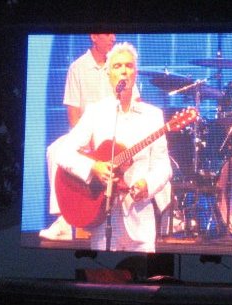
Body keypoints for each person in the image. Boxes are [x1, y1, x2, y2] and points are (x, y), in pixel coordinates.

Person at [54, 42, 172, 252]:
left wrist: (148, 184)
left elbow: (163, 166)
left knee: (143, 282)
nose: (123, 71)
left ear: (135, 73)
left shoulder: (153, 116)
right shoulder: (96, 112)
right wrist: (94, 167)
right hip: (102, 217)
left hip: (140, 221)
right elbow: (64, 152)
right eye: (117, 66)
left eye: (128, 66)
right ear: (108, 75)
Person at [39, 34, 118, 240]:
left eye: (114, 33)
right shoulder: (78, 68)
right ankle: (64, 221)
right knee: (55, 150)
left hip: (115, 135)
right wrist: (86, 144)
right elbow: (73, 116)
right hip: (86, 134)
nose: (113, 38)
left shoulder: (118, 65)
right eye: (107, 33)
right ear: (94, 36)